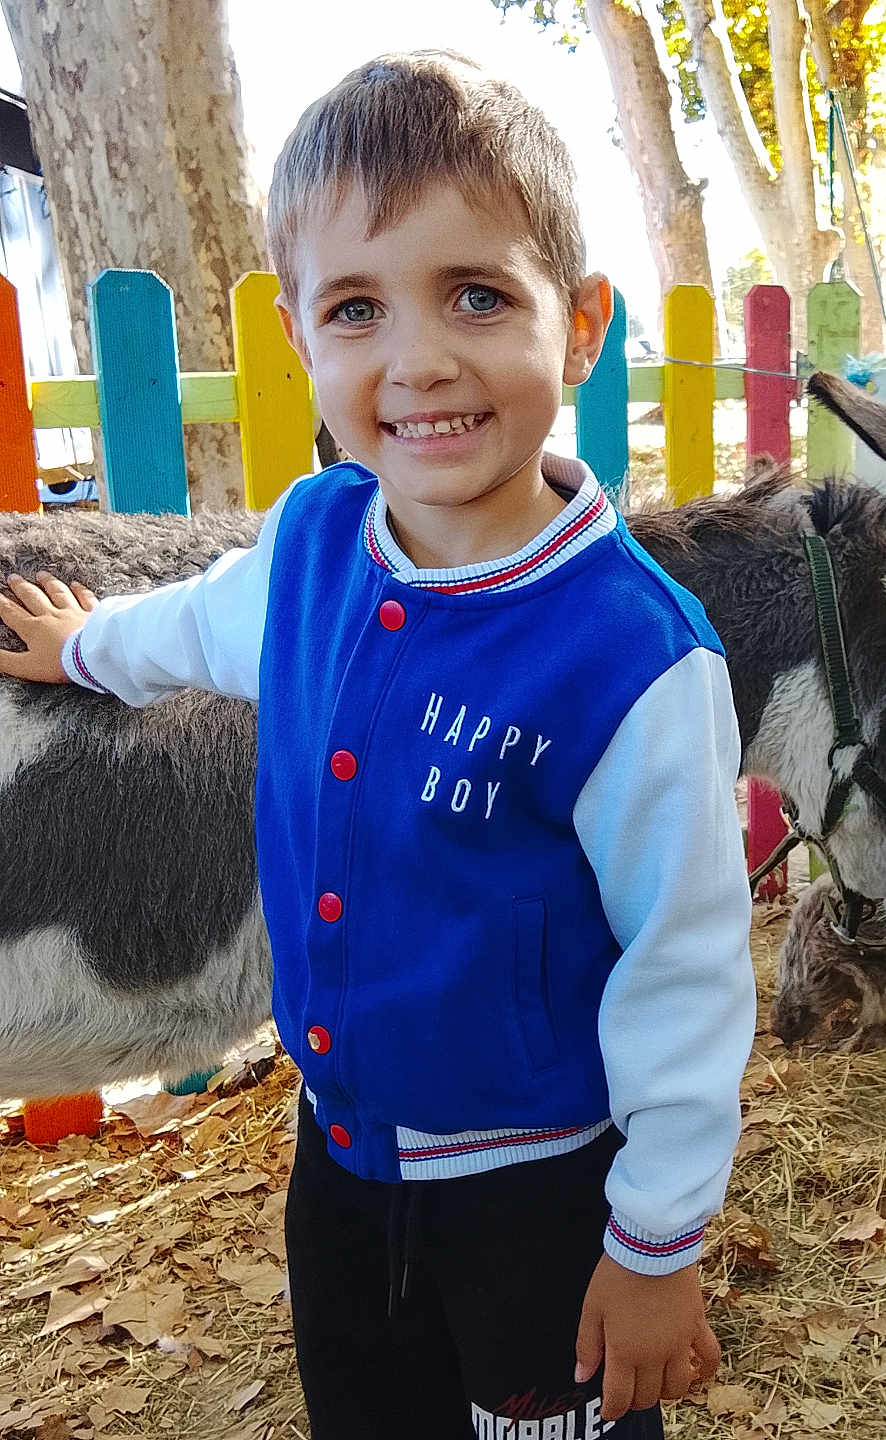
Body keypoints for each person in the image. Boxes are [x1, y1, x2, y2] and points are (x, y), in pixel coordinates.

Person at [0, 52, 755, 1440]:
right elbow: (204, 628)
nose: (418, 360)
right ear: (302, 342)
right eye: (358, 308)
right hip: (339, 1165)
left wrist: (657, 1248)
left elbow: (689, 967)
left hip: (535, 1194)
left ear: (578, 326)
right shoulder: (310, 545)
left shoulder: (635, 660)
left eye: (477, 294)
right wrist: (86, 648)